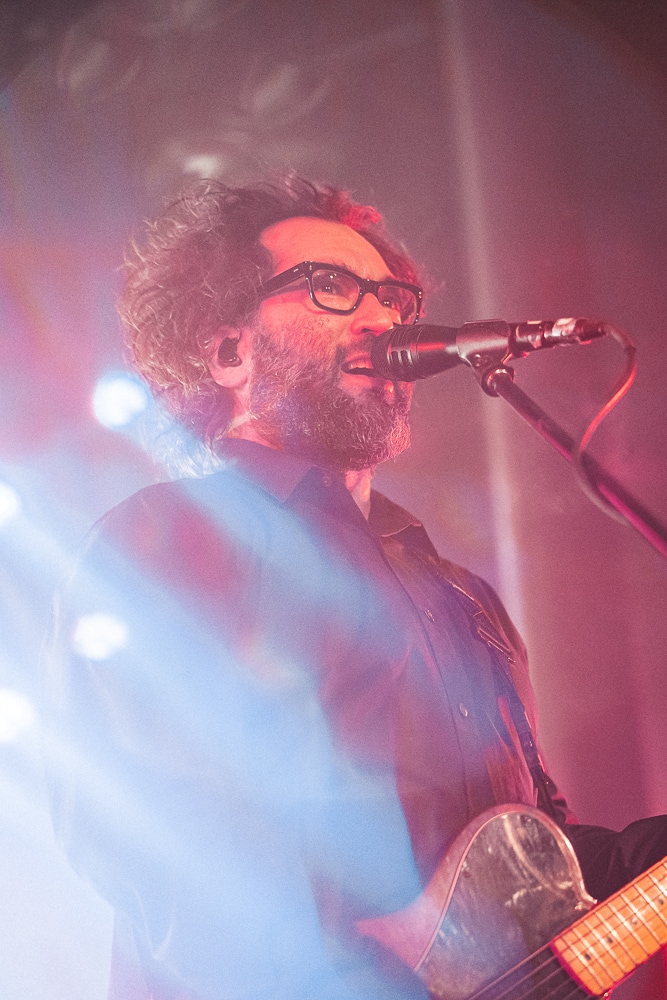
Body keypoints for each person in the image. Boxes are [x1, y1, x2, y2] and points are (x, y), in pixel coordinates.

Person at [45, 176, 667, 1000]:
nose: (382, 317)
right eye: (329, 287)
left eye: (390, 296)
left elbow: (539, 862)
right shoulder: (166, 541)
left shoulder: (459, 594)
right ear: (227, 350)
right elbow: (148, 835)